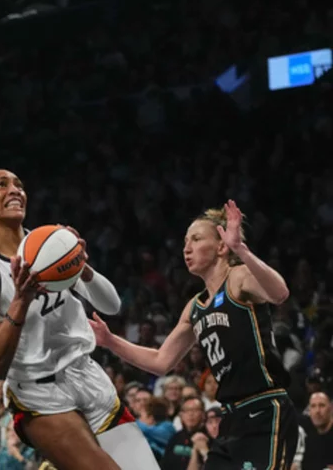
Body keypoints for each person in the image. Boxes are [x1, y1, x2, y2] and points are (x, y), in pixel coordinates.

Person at [0, 169, 160, 470]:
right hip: (39, 392)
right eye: (2, 185)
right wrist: (21, 301)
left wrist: (82, 264)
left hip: (87, 374)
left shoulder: (52, 243)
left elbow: (112, 305)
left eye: (19, 185)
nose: (15, 190)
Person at [90, 200, 299, 469]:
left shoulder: (239, 278)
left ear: (222, 246)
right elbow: (160, 361)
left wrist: (241, 250)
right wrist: (109, 340)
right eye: (185, 241)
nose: (186, 248)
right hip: (230, 419)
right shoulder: (194, 306)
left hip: (266, 410)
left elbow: (280, 293)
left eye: (197, 239)